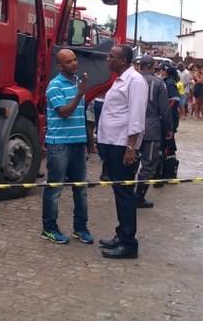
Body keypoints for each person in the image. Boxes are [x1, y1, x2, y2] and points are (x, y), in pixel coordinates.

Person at [97, 45, 148, 259]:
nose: (108, 59)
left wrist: (130, 148)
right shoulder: (119, 80)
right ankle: (121, 234)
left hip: (122, 145)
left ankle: (129, 244)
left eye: (113, 56)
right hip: (111, 143)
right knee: (119, 192)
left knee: (125, 194)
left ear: (125, 61)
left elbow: (136, 116)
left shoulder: (135, 81)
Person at [41, 49, 95, 245]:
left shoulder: (77, 82)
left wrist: (89, 143)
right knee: (55, 189)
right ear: (59, 66)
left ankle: (80, 228)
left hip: (77, 143)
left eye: (74, 60)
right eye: (68, 61)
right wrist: (79, 94)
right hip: (59, 144)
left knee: (80, 189)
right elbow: (63, 112)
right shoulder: (54, 86)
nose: (74, 64)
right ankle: (49, 228)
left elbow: (80, 115)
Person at [133, 56, 172, 206]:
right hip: (151, 129)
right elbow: (165, 109)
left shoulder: (132, 80)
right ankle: (139, 197)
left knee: (131, 162)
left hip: (133, 128)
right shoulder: (158, 83)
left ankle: (128, 195)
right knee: (149, 164)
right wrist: (169, 128)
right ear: (151, 66)